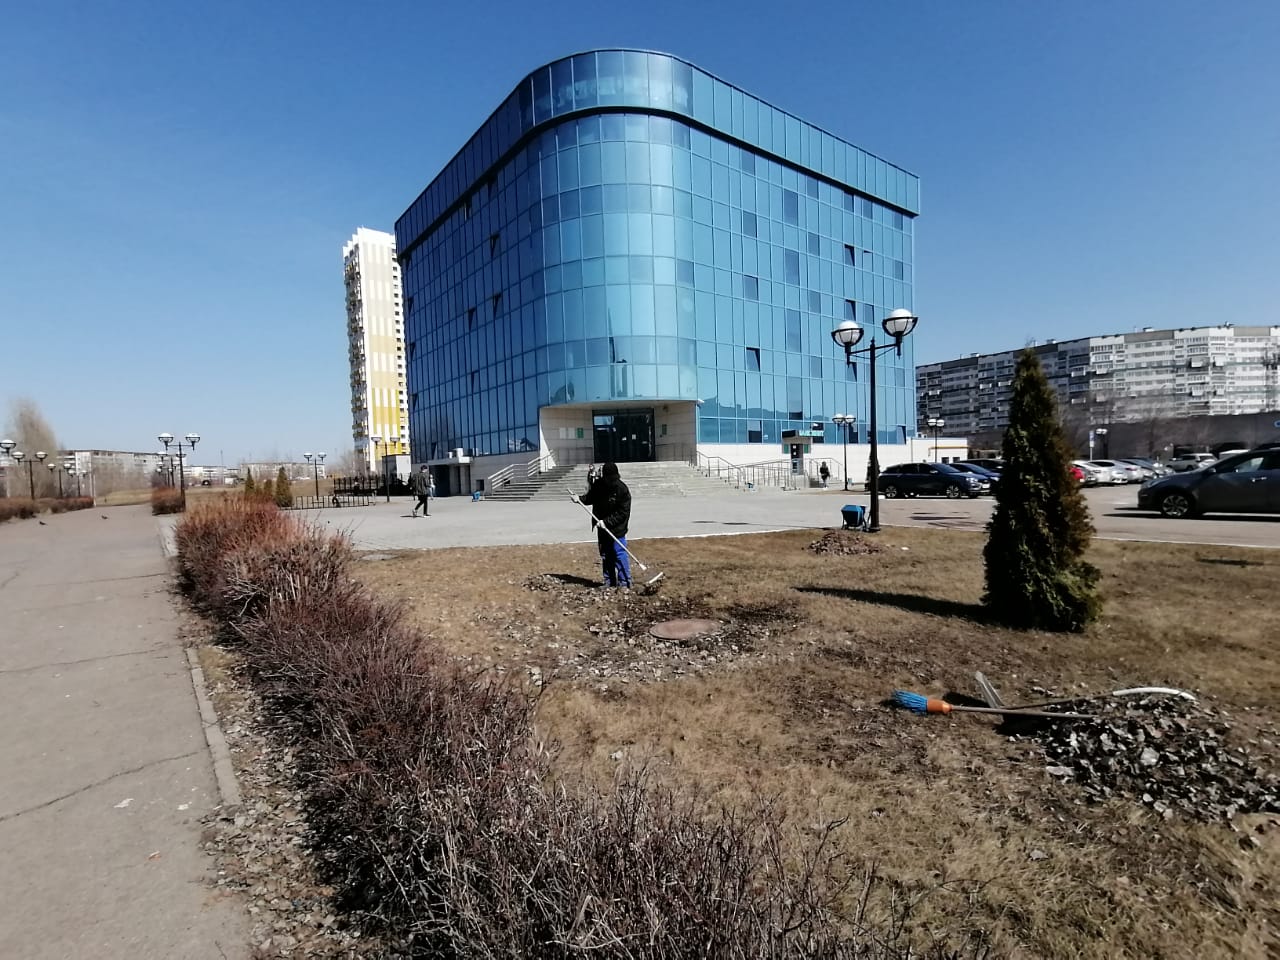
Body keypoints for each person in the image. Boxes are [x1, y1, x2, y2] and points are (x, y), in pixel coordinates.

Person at [578, 461, 632, 588]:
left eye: (614, 479)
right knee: (605, 555)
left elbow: (622, 513)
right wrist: (579, 499)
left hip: (617, 528)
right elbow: (590, 498)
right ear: (605, 477)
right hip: (602, 527)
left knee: (619, 553)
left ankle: (625, 582)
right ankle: (609, 582)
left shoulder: (622, 490)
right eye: (609, 479)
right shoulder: (599, 485)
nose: (612, 481)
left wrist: (606, 522)